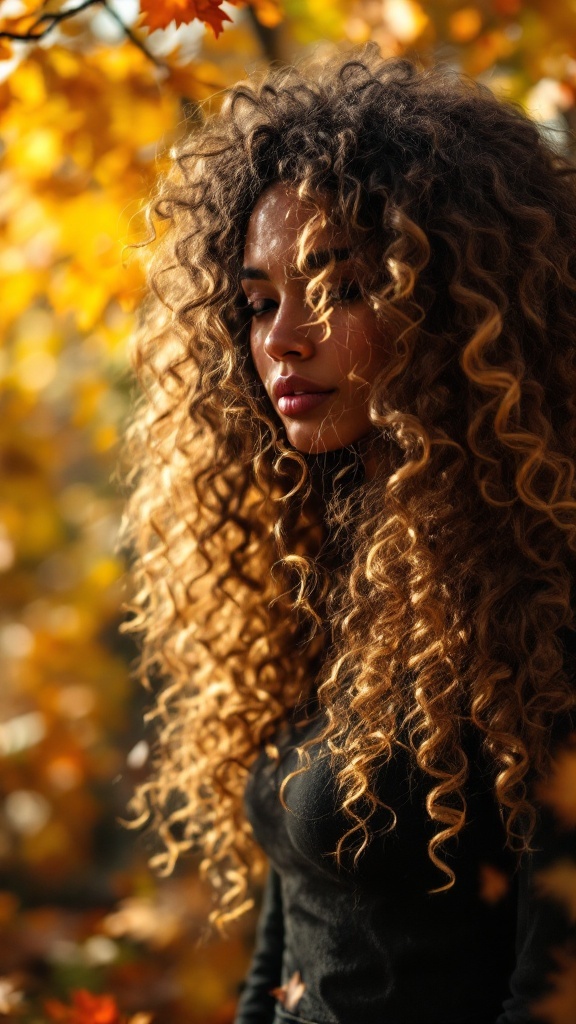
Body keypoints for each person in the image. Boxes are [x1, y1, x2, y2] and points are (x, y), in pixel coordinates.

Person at [119, 46, 576, 1024]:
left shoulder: (547, 596)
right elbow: (290, 943)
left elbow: (555, 988)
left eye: (339, 289)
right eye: (258, 301)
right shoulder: (328, 564)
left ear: (452, 305)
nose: (284, 337)